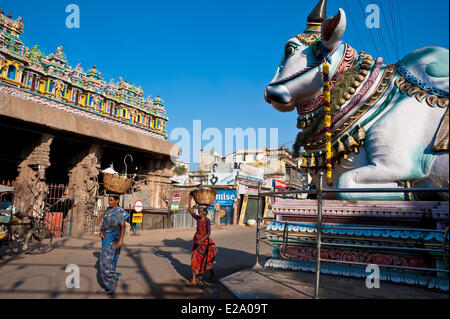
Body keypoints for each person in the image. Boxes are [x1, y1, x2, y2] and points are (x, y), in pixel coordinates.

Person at [97, 194, 129, 295]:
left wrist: (120, 240)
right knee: (106, 263)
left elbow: (122, 227)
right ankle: (107, 285)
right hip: (106, 239)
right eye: (108, 200)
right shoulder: (108, 210)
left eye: (111, 200)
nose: (109, 202)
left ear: (117, 201)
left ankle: (112, 282)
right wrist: (101, 231)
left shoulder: (120, 211)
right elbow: (104, 222)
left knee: (105, 264)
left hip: (114, 240)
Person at [188, 192, 218, 286]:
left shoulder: (208, 221)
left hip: (204, 243)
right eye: (199, 212)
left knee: (205, 260)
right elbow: (189, 210)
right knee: (194, 259)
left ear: (205, 212)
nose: (199, 213)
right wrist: (190, 199)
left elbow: (209, 233)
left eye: (201, 212)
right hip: (197, 242)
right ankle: (193, 280)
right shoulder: (197, 219)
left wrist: (202, 239)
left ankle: (211, 272)